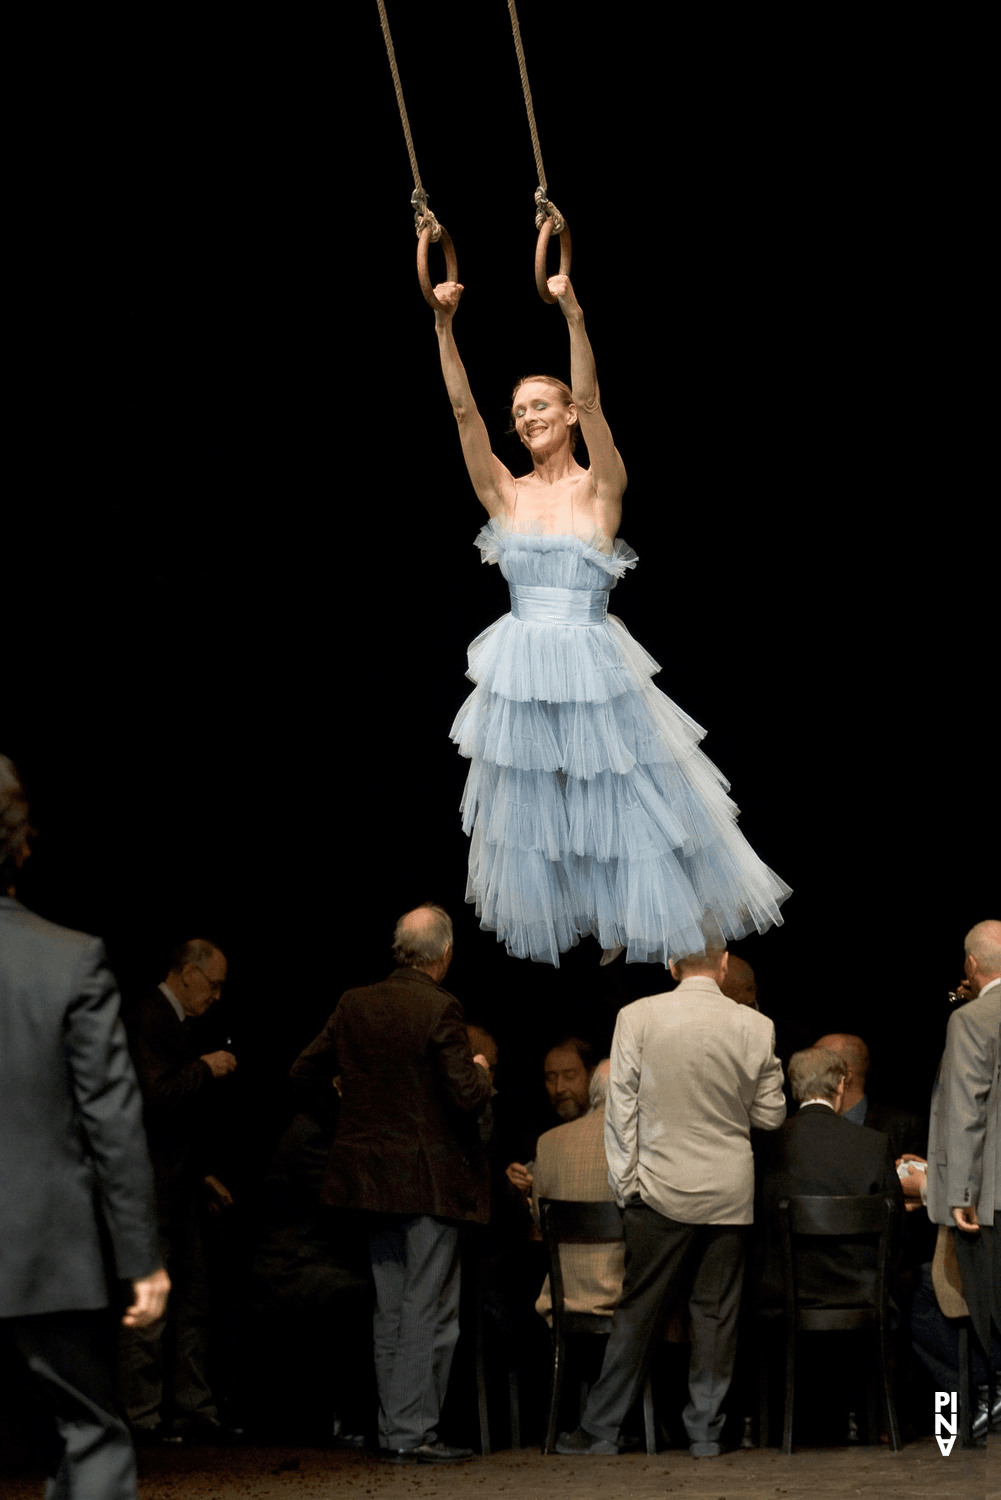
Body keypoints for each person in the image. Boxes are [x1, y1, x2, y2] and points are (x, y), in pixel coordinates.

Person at [434, 272, 791, 966]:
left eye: (541, 405)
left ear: (568, 415)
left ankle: (636, 925)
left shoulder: (599, 489)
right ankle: (574, 920)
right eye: (520, 410)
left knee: (621, 795)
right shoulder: (506, 494)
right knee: (537, 807)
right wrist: (444, 326)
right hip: (522, 673)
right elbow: (462, 414)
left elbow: (593, 398)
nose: (527, 417)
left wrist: (571, 314)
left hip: (591, 666)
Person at [0, 753, 169, 1499]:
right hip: (41, 1251)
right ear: (19, 841)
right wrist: (141, 1258)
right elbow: (111, 1118)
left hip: (42, 1255)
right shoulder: (68, 960)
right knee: (91, 1433)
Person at [556, 944, 786, 1458]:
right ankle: (705, 1432)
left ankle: (601, 1429)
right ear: (723, 965)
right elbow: (771, 1115)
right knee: (716, 1315)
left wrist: (625, 1185)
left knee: (639, 1313)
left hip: (659, 1188)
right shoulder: (756, 1026)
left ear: (671, 965)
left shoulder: (637, 1016)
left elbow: (620, 1110)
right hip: (728, 1190)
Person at [290, 903, 493, 1464]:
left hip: (371, 1182)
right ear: (445, 954)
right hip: (429, 1182)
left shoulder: (354, 1003)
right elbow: (464, 1093)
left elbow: (302, 1073)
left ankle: (394, 1427)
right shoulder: (440, 1006)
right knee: (428, 1309)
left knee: (393, 1307)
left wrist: (349, 1117)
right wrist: (482, 1071)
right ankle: (410, 1430)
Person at [119, 938, 238, 1443]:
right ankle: (141, 1417)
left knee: (193, 1302)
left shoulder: (179, 1023)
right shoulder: (148, 1017)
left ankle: (194, 1410)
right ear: (188, 973)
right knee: (151, 1307)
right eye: (214, 984)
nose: (217, 996)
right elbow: (154, 1098)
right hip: (150, 1190)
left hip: (178, 1187)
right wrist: (205, 1068)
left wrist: (201, 1175)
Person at [755, 1047, 904, 1310]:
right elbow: (897, 1230)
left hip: (782, 1297)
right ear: (840, 1085)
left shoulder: (766, 1142)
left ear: (795, 1088)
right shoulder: (874, 1144)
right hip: (860, 1297)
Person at [926, 920, 1001, 1417]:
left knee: (990, 1308)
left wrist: (960, 1193)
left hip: (992, 1193)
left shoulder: (973, 1019)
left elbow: (967, 1110)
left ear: (971, 965)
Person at [531, 1061, 622, 1325]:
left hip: (562, 1300)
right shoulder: (641, 1142)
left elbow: (540, 1221)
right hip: (626, 1301)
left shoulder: (548, 1142)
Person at [813, 1032, 926, 1161]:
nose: (807, 1074)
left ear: (845, 1076)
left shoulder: (903, 1127)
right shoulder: (805, 1124)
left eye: (816, 1065)